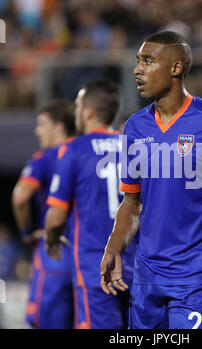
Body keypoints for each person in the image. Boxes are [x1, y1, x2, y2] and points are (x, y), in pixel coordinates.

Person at [100, 31, 202, 329]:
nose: (137, 70)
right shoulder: (135, 127)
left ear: (176, 68)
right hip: (146, 277)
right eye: (138, 61)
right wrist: (113, 246)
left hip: (196, 278)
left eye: (148, 61)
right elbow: (132, 201)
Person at [45, 79, 137, 329]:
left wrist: (51, 239)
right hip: (138, 269)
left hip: (95, 270)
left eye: (77, 105)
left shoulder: (73, 150)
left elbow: (56, 217)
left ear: (88, 112)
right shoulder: (135, 149)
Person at [11, 100, 75, 329]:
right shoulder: (89, 155)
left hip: (53, 258)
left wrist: (28, 233)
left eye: (42, 123)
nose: (37, 130)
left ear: (59, 127)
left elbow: (21, 197)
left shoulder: (45, 158)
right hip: (89, 261)